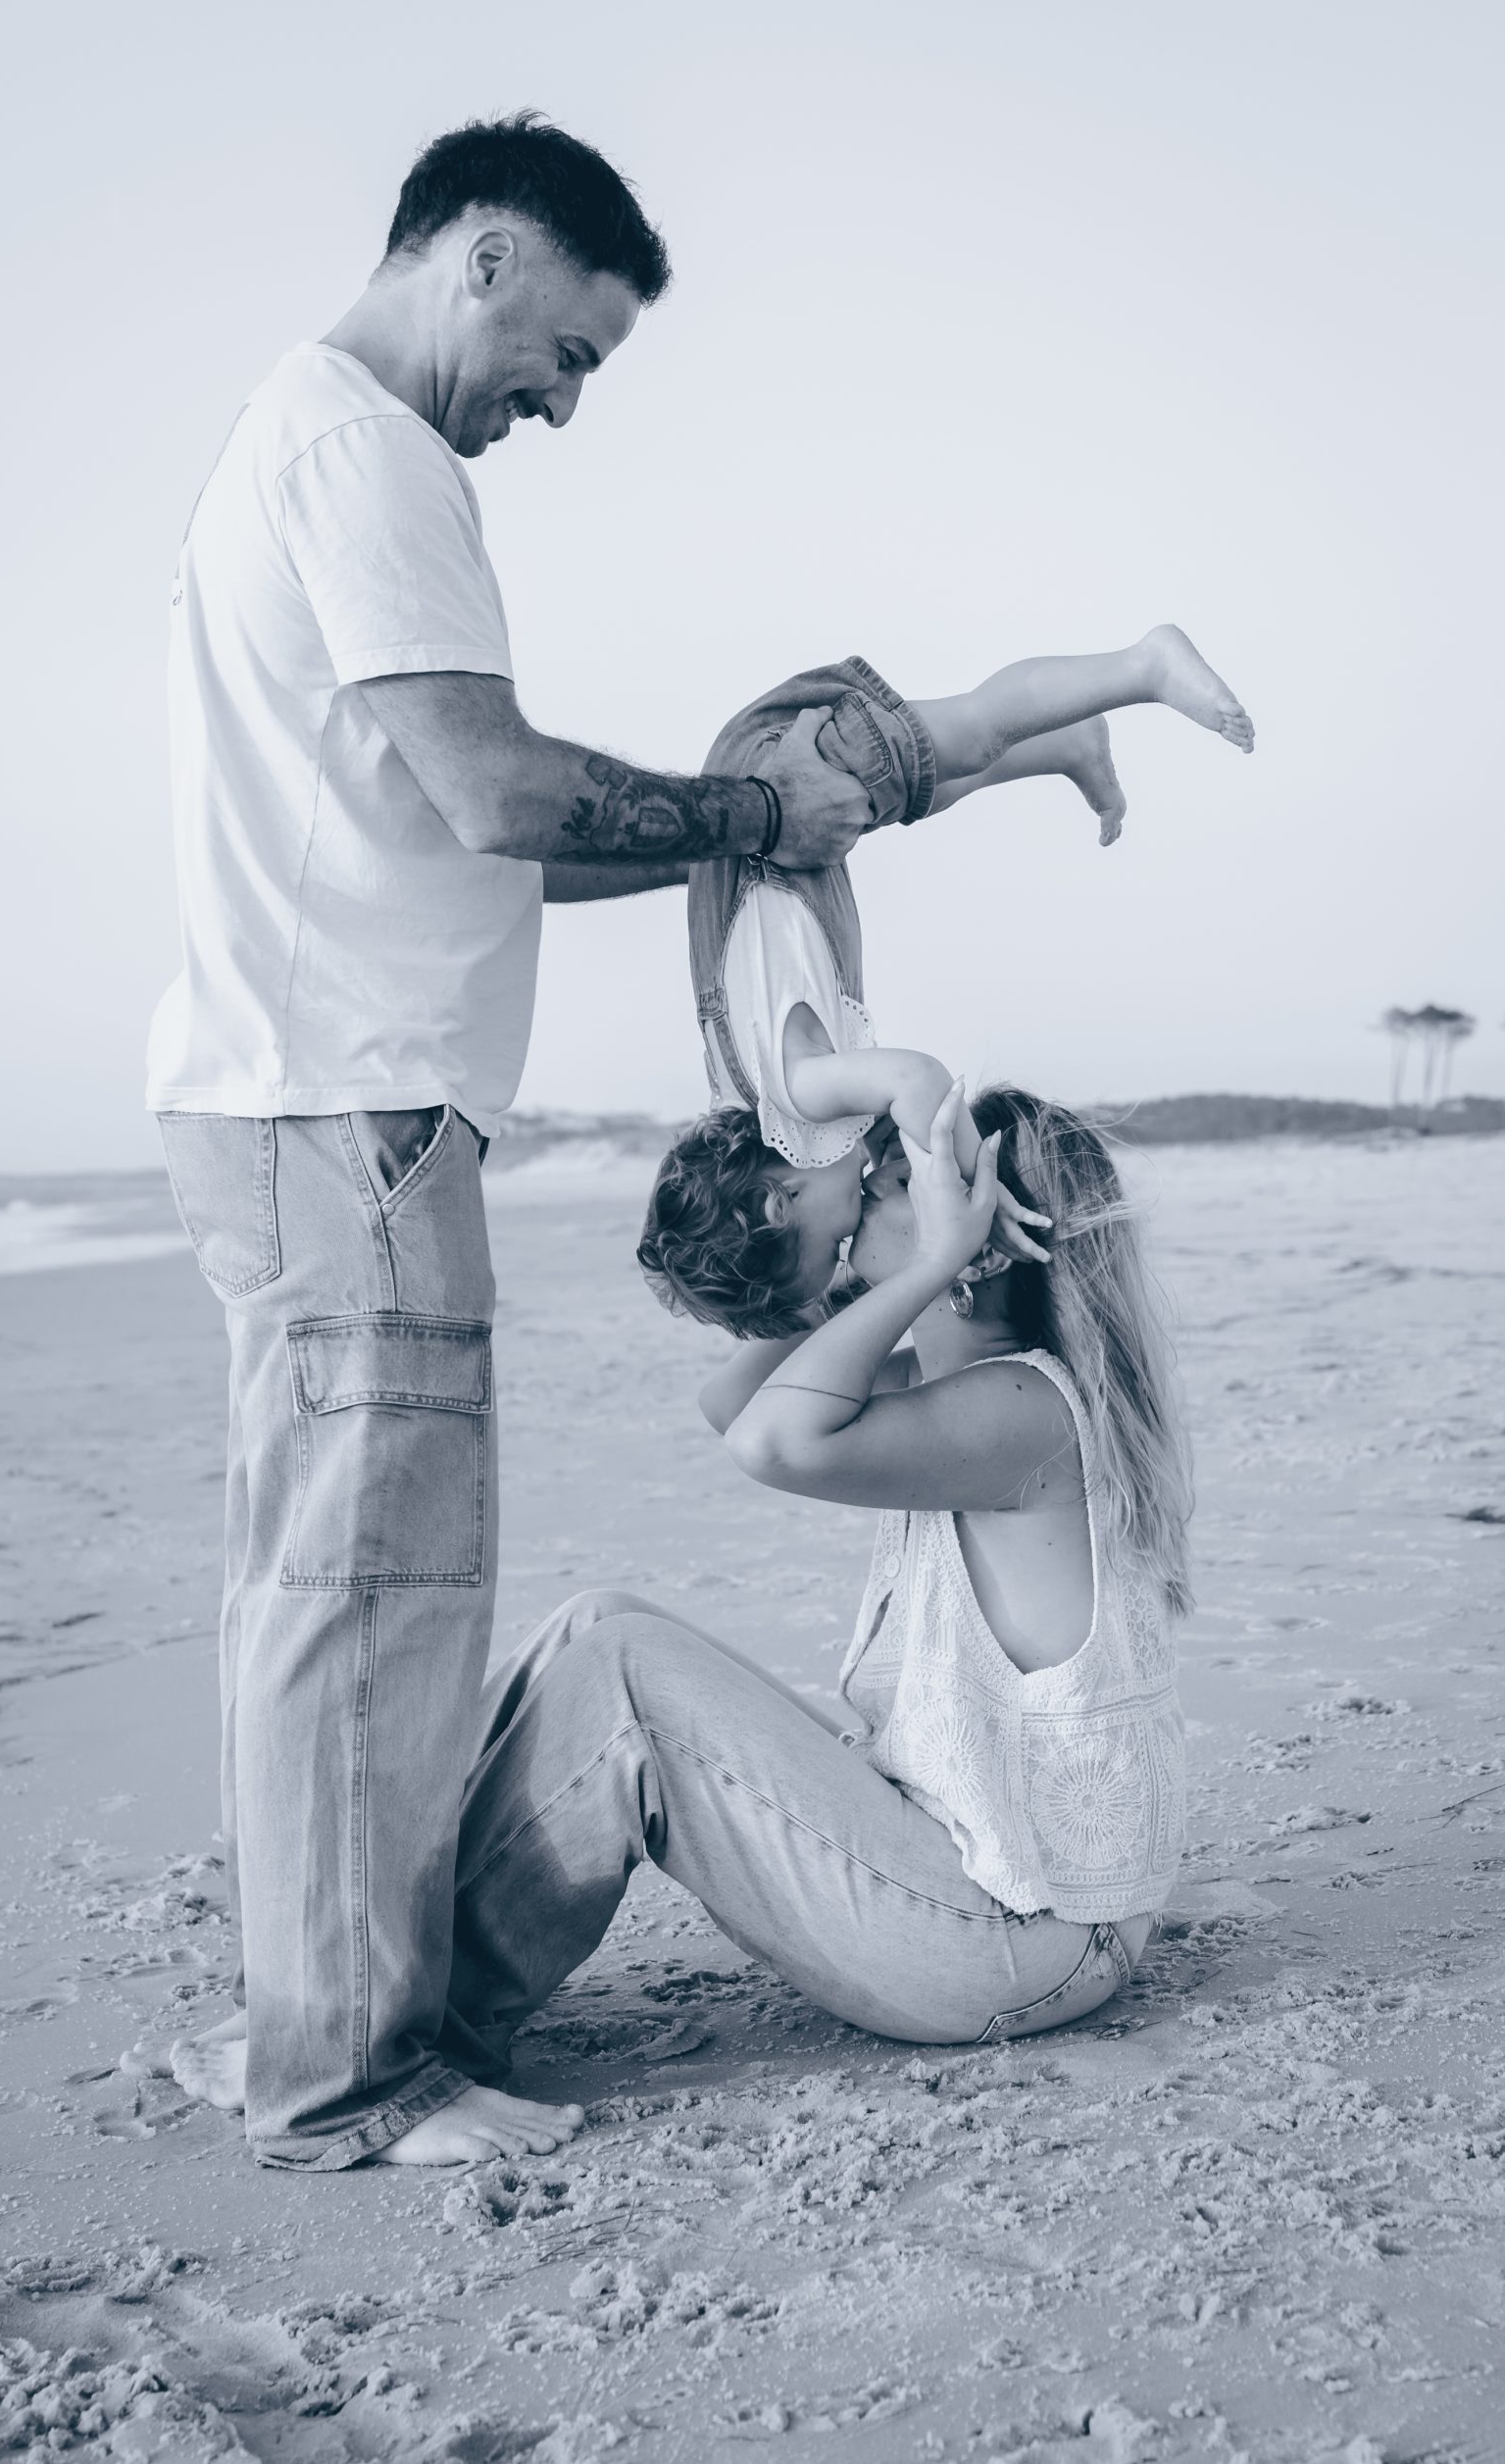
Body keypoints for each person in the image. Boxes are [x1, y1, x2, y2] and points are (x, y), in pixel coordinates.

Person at [148, 114, 874, 2171]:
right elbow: (495, 791)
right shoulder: (365, 452)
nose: (560, 403)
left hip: (299, 1099)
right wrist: (756, 814)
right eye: (569, 349)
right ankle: (343, 2082)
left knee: (323, 1597)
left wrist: (721, 850)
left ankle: (308, 2019)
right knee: (368, 1604)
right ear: (479, 255)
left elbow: (476, 839)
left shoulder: (295, 439)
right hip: (347, 1108)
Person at [438, 1083, 1189, 2093]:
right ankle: (401, 1934)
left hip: (1021, 1939)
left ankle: (425, 2016)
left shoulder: (1023, 1409)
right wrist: (870, 1265)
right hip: (977, 1875)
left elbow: (770, 1439)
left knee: (625, 1673)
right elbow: (731, 1398)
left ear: (980, 1246)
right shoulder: (956, 1379)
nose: (864, 1185)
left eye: (895, 1181)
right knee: (597, 1620)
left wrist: (925, 1261)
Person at [639, 631, 1252, 1338]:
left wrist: (972, 1194)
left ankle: (1143, 666)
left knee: (975, 727)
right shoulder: (754, 1104)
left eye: (832, 1244)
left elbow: (916, 1079)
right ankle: (1067, 742)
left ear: (784, 1200)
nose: (850, 1233)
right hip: (766, 800)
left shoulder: (797, 1091)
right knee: (929, 777)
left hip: (783, 776)